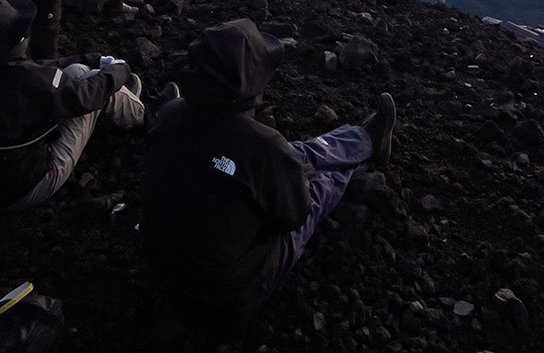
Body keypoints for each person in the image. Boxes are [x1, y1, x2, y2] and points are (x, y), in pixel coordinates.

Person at [142, 18, 396, 324]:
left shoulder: (170, 115)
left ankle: (365, 139)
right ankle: (356, 164)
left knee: (290, 155)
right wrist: (298, 183)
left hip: (164, 276)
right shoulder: (262, 147)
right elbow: (292, 218)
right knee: (318, 188)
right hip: (231, 296)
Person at [0, 0, 144, 212]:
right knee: (94, 89)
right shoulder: (20, 80)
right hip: (22, 189)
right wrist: (118, 70)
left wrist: (89, 58)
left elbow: (35, 70)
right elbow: (85, 96)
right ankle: (145, 116)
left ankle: (125, 104)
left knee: (78, 71)